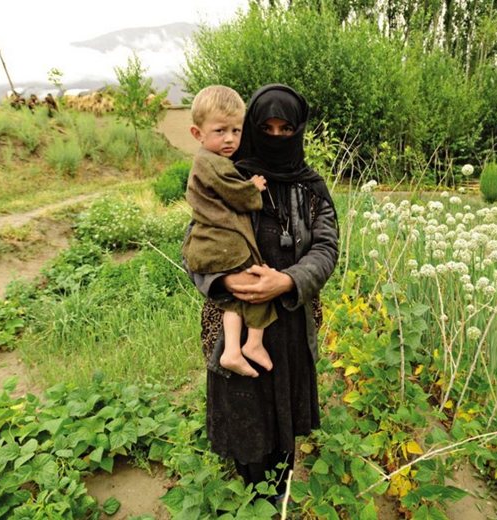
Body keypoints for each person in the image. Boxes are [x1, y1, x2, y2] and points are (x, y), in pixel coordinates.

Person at [186, 84, 339, 503]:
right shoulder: (229, 175)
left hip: (290, 317)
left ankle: (278, 493)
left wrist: (288, 280)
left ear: (298, 130)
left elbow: (327, 248)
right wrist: (223, 282)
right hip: (231, 319)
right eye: (265, 127)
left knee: (283, 415)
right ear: (252, 127)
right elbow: (195, 247)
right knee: (243, 411)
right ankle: (249, 494)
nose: (275, 135)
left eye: (284, 127)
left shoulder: (312, 188)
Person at [182, 85, 277, 378]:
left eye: (236, 131)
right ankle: (253, 344)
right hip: (222, 243)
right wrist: (254, 187)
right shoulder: (212, 163)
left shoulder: (209, 160)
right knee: (257, 287)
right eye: (220, 131)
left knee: (235, 299)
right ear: (197, 134)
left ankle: (234, 350)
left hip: (213, 244)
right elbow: (235, 193)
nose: (230, 139)